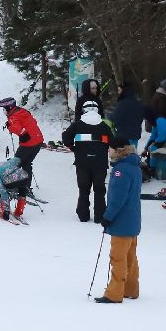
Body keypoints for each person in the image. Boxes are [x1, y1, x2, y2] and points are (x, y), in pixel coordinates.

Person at [96, 144, 142, 303]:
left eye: (110, 148)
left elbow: (117, 197)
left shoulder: (120, 170)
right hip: (133, 220)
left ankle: (114, 293)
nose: (108, 151)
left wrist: (108, 216)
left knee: (118, 257)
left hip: (122, 222)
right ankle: (130, 289)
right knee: (130, 256)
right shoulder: (134, 167)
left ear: (118, 150)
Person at [62, 103, 113, 223]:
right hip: (100, 162)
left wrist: (73, 147)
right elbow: (112, 141)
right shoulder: (104, 125)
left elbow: (66, 137)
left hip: (82, 161)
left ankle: (83, 215)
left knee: (83, 188)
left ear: (83, 111)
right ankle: (100, 216)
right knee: (99, 189)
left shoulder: (77, 124)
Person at [0, 97, 44, 186]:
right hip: (38, 141)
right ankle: (26, 187)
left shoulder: (13, 117)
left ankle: (14, 185)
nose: (3, 111)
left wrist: (10, 127)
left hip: (28, 143)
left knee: (15, 164)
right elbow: (32, 121)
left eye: (4, 109)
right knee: (27, 163)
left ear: (9, 108)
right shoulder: (22, 111)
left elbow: (18, 129)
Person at [110, 82, 144, 146]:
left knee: (124, 154)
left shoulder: (122, 104)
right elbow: (140, 118)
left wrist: (110, 117)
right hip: (135, 134)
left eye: (119, 90)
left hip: (124, 136)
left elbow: (116, 118)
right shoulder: (137, 103)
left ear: (124, 91)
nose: (118, 92)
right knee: (132, 153)